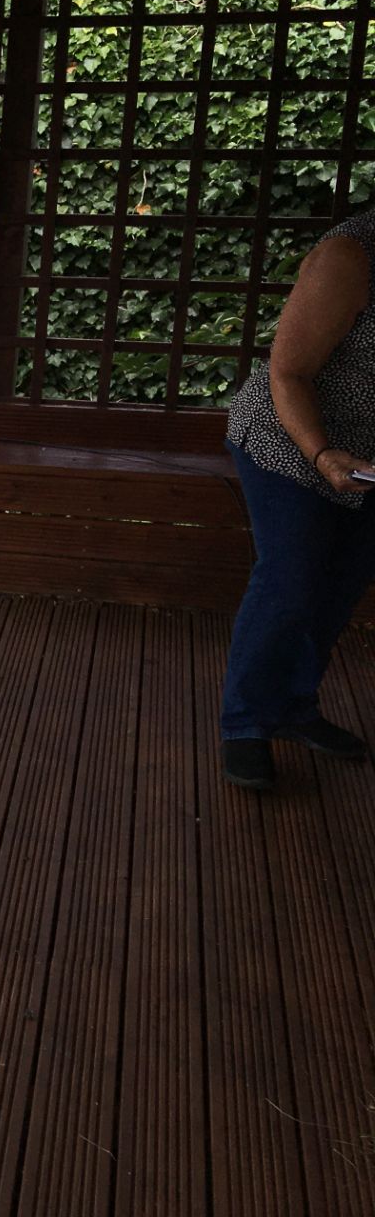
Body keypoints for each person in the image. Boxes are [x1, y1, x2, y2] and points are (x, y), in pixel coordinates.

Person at [221, 209, 375, 790]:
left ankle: (292, 707)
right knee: (292, 575)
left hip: (367, 456)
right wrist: (322, 454)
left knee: (342, 580)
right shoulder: (353, 256)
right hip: (292, 439)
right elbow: (288, 372)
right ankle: (246, 725)